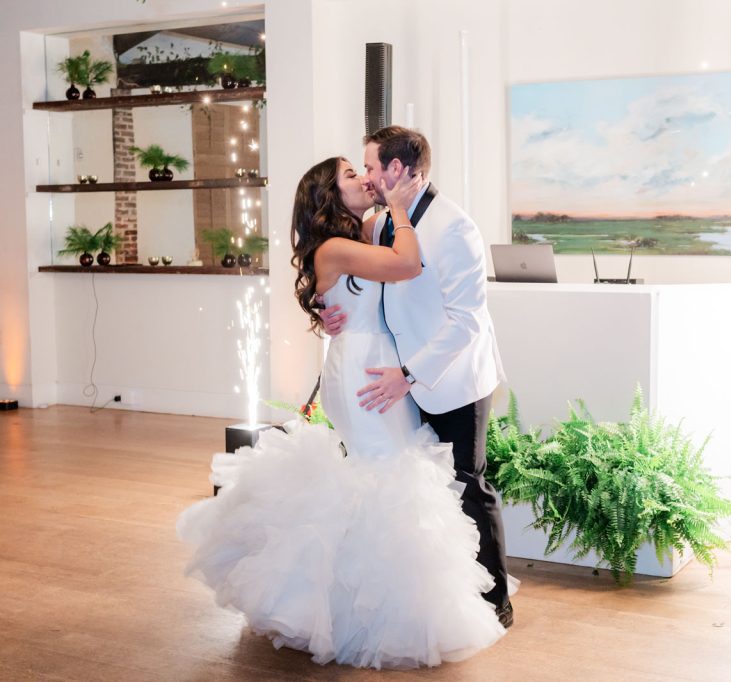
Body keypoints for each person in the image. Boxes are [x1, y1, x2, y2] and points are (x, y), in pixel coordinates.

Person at [176, 156, 508, 669]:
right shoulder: (335, 245)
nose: (365, 179)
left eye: (365, 169)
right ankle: (384, 610)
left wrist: (386, 215)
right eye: (352, 175)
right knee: (392, 473)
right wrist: (398, 208)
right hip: (365, 369)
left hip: (373, 361)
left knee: (391, 474)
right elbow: (406, 266)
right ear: (330, 197)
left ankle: (373, 593)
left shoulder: (363, 232)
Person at [320, 126, 512, 626]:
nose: (366, 176)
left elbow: (466, 320)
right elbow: (355, 282)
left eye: (370, 166)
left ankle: (494, 600)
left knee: (467, 485)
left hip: (452, 379)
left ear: (397, 170)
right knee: (422, 489)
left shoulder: (454, 227)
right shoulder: (384, 222)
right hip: (396, 379)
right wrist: (327, 309)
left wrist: (409, 373)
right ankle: (440, 596)